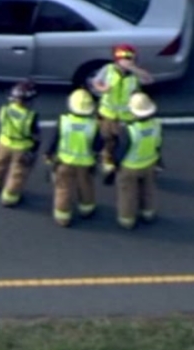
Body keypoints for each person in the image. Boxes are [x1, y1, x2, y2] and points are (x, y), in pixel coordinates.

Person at [89, 44, 153, 181]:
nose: (124, 62)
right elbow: (95, 81)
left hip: (127, 115)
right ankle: (107, 163)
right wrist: (101, 88)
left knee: (125, 140)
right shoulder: (108, 69)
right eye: (121, 59)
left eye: (128, 59)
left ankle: (121, 161)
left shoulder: (135, 73)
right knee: (107, 139)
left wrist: (133, 69)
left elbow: (148, 79)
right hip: (108, 113)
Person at [45, 89, 103, 227]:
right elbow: (98, 146)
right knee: (86, 187)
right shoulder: (93, 125)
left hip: (64, 162)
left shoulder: (63, 121)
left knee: (63, 189)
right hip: (85, 164)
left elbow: (54, 140)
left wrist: (48, 154)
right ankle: (87, 209)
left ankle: (62, 216)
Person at [0, 79, 39, 207]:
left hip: (3, 144)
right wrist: (34, 150)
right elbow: (35, 135)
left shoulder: (5, 110)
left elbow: (1, 126)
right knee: (17, 174)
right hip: (22, 149)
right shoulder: (31, 116)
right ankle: (9, 198)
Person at [114, 92, 162, 229]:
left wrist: (115, 164)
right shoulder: (156, 125)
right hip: (149, 164)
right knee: (148, 190)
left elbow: (121, 150)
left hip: (130, 167)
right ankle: (148, 213)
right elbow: (158, 144)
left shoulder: (129, 130)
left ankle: (127, 219)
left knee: (127, 193)